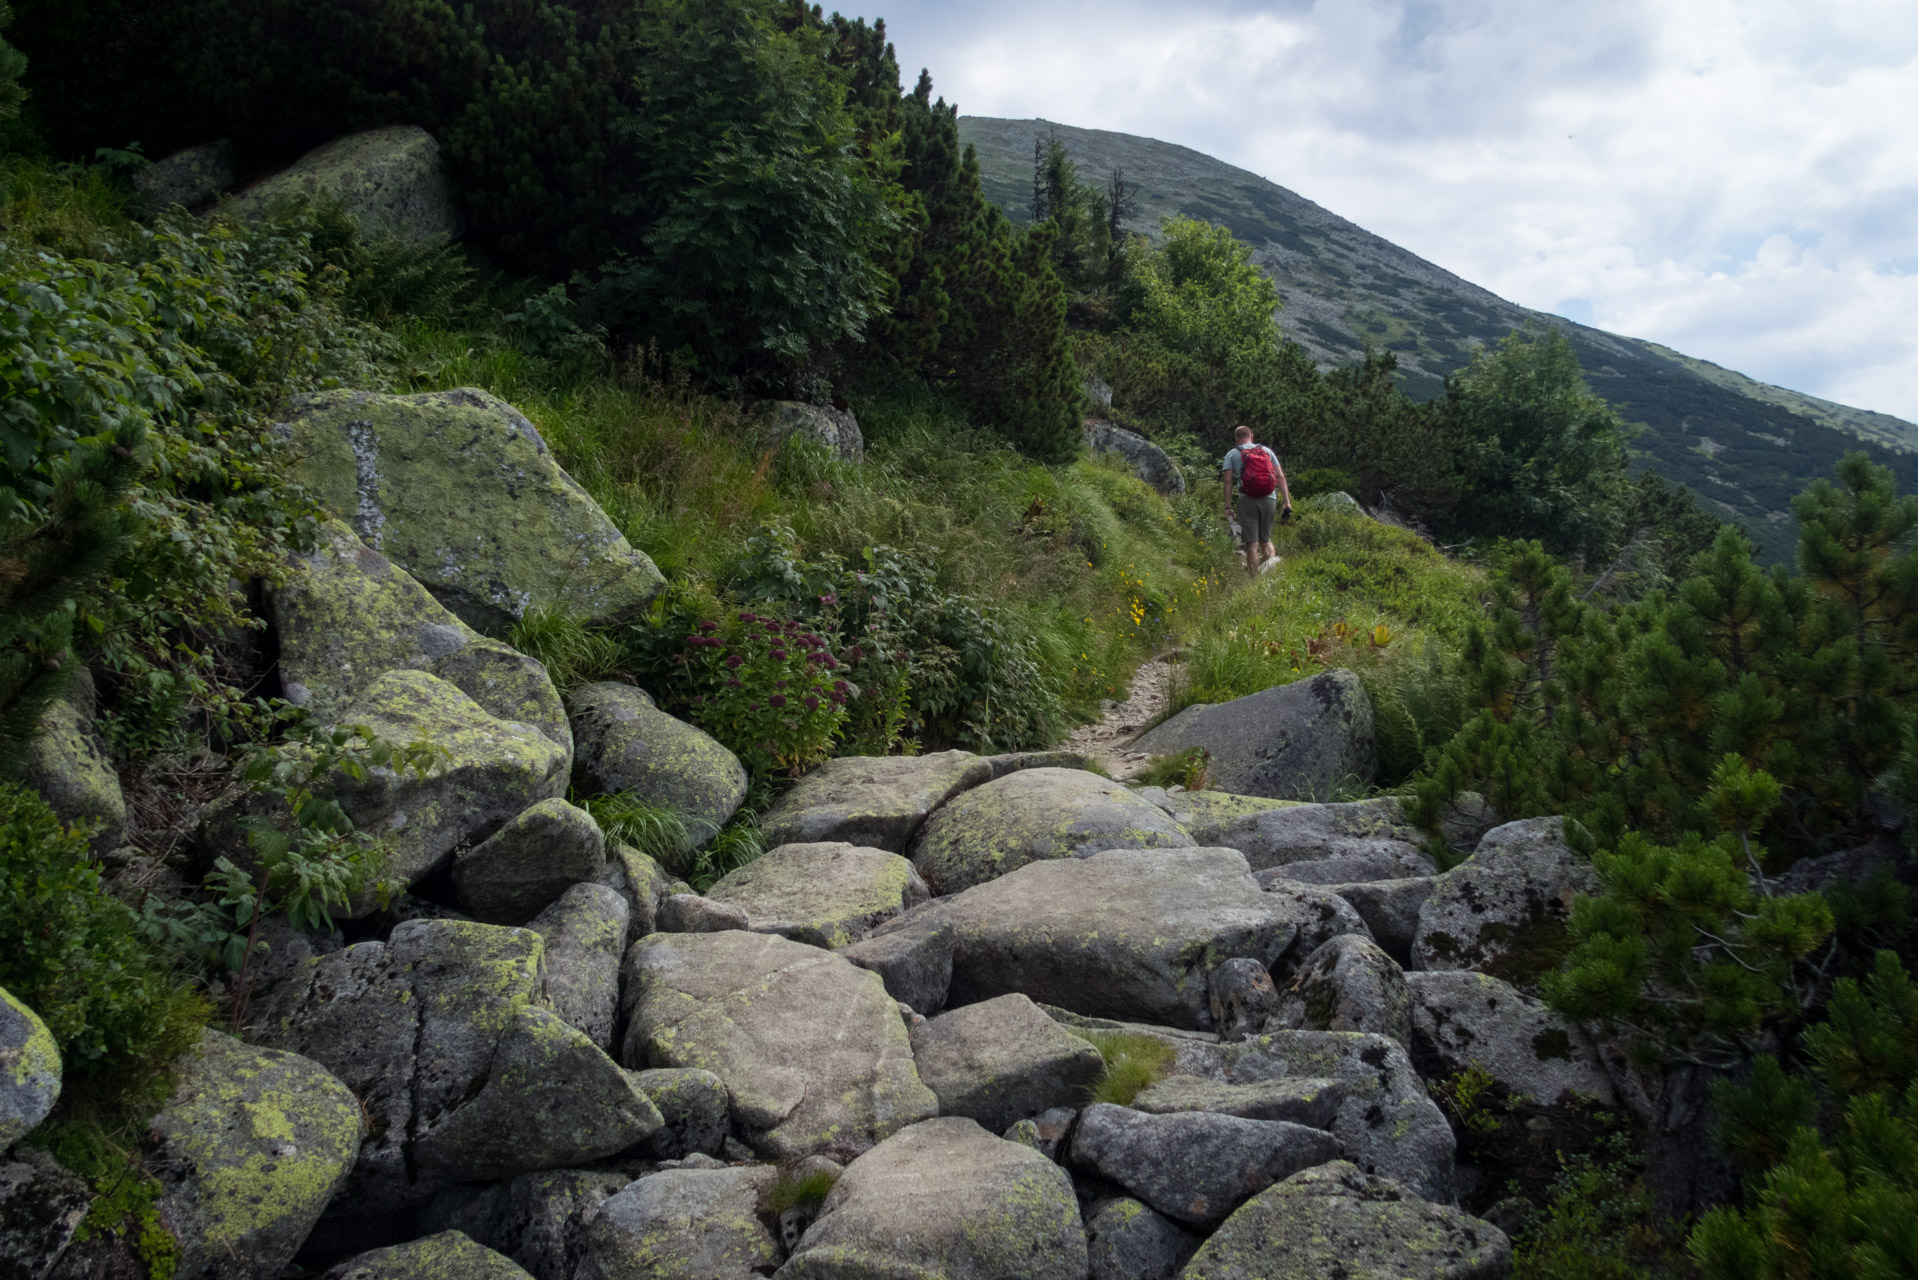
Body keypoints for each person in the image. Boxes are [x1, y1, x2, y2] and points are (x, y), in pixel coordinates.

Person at [1221, 425, 1291, 575]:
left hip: (1247, 500)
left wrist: (1228, 506)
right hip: (1269, 498)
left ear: (1236, 439)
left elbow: (1228, 481)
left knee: (1252, 543)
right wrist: (1287, 502)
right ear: (1251, 436)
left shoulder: (1232, 454)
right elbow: (1279, 477)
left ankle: (1255, 582)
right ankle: (1271, 573)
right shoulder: (1267, 451)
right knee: (1266, 539)